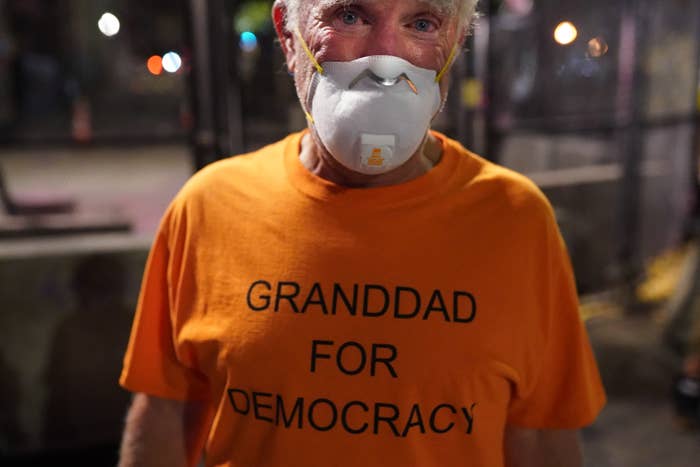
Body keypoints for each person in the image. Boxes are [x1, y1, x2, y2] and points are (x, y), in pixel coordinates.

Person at [118, 1, 606, 466]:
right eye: (350, 16)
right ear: (289, 35)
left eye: (422, 23)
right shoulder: (207, 209)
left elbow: (540, 434)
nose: (386, 60)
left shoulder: (516, 221)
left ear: (454, 45)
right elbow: (165, 410)